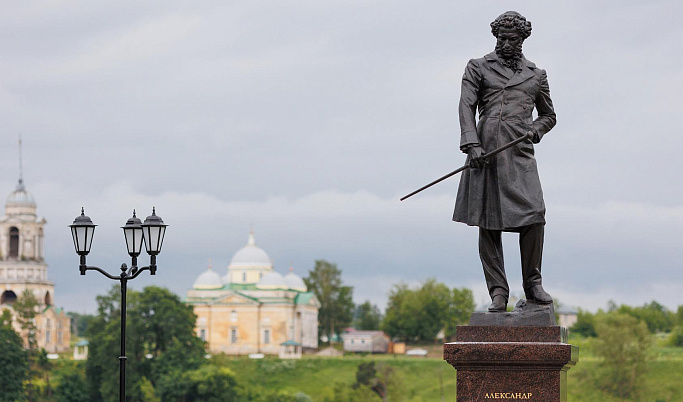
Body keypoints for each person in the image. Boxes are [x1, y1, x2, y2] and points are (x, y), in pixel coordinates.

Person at [453, 11, 556, 312]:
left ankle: (533, 284)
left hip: (520, 153)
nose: (506, 44)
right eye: (501, 38)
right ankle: (498, 290)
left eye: (512, 39)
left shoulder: (536, 75)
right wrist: (471, 143)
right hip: (485, 152)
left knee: (535, 215)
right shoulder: (478, 67)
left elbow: (549, 115)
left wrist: (536, 130)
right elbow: (465, 105)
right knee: (488, 221)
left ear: (523, 39)